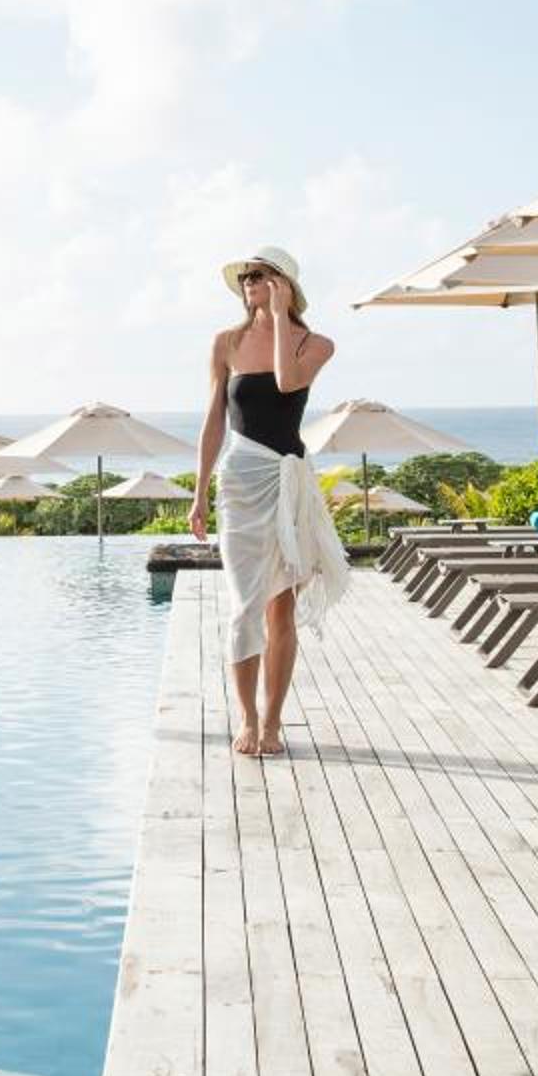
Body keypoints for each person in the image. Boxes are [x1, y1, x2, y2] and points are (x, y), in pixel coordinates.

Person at [188, 245, 350, 756]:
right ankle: (247, 718)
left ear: (285, 285)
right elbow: (214, 422)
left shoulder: (316, 344)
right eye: (246, 276)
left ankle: (273, 722)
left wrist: (280, 318)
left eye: (260, 275)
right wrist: (199, 493)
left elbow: (286, 382)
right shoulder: (226, 343)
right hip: (240, 481)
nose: (249, 282)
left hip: (289, 483)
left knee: (281, 611)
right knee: (244, 607)